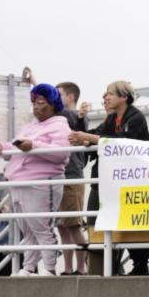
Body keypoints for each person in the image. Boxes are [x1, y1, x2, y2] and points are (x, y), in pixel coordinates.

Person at [69, 80, 149, 275]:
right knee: (94, 221)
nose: (105, 97)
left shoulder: (135, 117)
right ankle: (104, 267)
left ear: (124, 96)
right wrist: (81, 124)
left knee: (129, 223)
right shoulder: (111, 119)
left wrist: (89, 139)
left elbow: (124, 142)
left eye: (110, 94)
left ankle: (140, 266)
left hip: (128, 181)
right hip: (105, 179)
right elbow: (95, 134)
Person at [0, 83, 71, 276]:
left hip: (42, 182)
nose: (36, 107)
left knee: (42, 226)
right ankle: (28, 267)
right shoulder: (29, 126)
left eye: (41, 102)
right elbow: (15, 145)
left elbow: (62, 154)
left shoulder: (60, 124)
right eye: (34, 102)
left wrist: (33, 145)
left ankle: (49, 268)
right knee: (28, 229)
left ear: (52, 104)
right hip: (19, 182)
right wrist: (2, 147)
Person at [54, 82, 90, 276]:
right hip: (60, 176)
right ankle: (68, 268)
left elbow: (80, 126)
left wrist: (35, 82)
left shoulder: (71, 116)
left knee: (74, 225)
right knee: (63, 226)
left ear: (70, 97)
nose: (54, 97)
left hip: (71, 176)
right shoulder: (64, 117)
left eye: (58, 94)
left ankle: (81, 267)